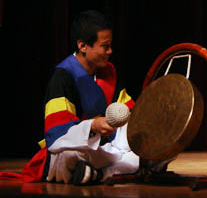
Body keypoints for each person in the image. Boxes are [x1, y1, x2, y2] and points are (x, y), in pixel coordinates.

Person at [20, 10, 140, 184]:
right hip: (78, 146)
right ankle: (100, 172)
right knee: (69, 156)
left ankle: (96, 174)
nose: (110, 51)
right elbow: (57, 132)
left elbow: (127, 111)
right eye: (105, 46)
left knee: (142, 146)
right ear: (83, 46)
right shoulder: (63, 77)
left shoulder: (108, 72)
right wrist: (93, 125)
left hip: (106, 147)